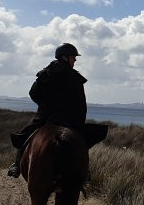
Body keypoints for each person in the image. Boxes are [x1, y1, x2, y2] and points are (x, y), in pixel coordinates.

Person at [7, 42, 88, 177]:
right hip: (69, 120)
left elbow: (33, 93)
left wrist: (44, 106)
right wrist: (80, 122)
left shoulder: (45, 74)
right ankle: (85, 172)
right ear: (65, 57)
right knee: (82, 142)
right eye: (73, 57)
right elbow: (81, 104)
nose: (75, 60)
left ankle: (17, 165)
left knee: (24, 135)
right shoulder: (75, 77)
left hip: (45, 118)